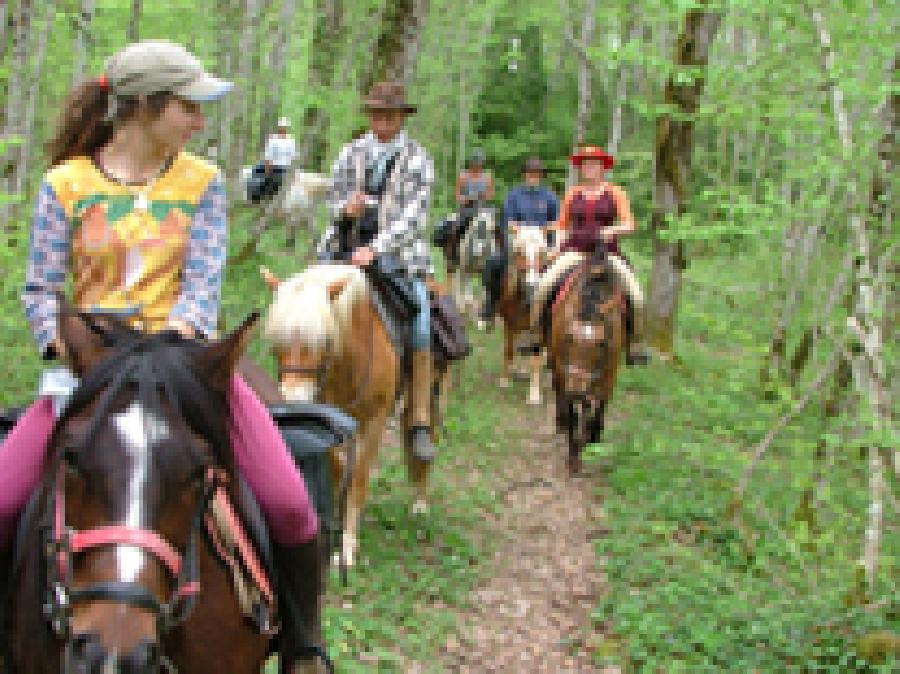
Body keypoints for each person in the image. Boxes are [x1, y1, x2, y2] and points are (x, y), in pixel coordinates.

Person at [0, 41, 327, 671]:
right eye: (189, 107)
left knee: (287, 500)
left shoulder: (201, 184)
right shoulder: (64, 185)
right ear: (145, 107)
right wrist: (61, 343)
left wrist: (174, 346)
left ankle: (304, 644)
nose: (199, 122)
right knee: (5, 495)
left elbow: (201, 286)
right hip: (87, 370)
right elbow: (41, 286)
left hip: (181, 366)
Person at [317, 81, 437, 462]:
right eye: (375, 113)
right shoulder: (351, 152)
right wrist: (344, 210)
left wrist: (378, 248)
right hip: (343, 247)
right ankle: (304, 391)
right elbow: (333, 196)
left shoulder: (419, 160)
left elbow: (414, 217)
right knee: (307, 306)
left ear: (402, 117)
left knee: (420, 317)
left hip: (398, 254)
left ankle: (418, 417)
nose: (381, 120)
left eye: (389, 114)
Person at [550, 145, 649, 365]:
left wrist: (610, 230)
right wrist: (556, 248)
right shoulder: (572, 194)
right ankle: (537, 334)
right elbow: (561, 225)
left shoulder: (616, 192)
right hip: (575, 250)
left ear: (603, 167)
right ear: (581, 168)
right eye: (585, 164)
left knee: (637, 296)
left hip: (606, 253)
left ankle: (635, 342)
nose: (590, 167)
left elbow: (629, 224)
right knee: (543, 287)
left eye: (594, 163)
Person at [480, 156, 559, 320]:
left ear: (541, 176)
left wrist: (542, 232)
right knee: (494, 263)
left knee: (561, 270)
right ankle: (490, 303)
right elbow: (508, 222)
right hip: (520, 238)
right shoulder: (514, 195)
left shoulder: (550, 197)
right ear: (524, 174)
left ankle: (554, 311)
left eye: (536, 174)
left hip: (542, 241)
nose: (533, 177)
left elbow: (557, 222)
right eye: (530, 173)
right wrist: (524, 231)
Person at [252, 116, 296, 202]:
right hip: (274, 165)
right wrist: (268, 168)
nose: (283, 129)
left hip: (284, 166)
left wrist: (293, 170)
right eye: (282, 127)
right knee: (256, 172)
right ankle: (257, 195)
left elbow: (293, 156)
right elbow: (268, 155)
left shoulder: (291, 140)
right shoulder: (273, 139)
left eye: (284, 127)